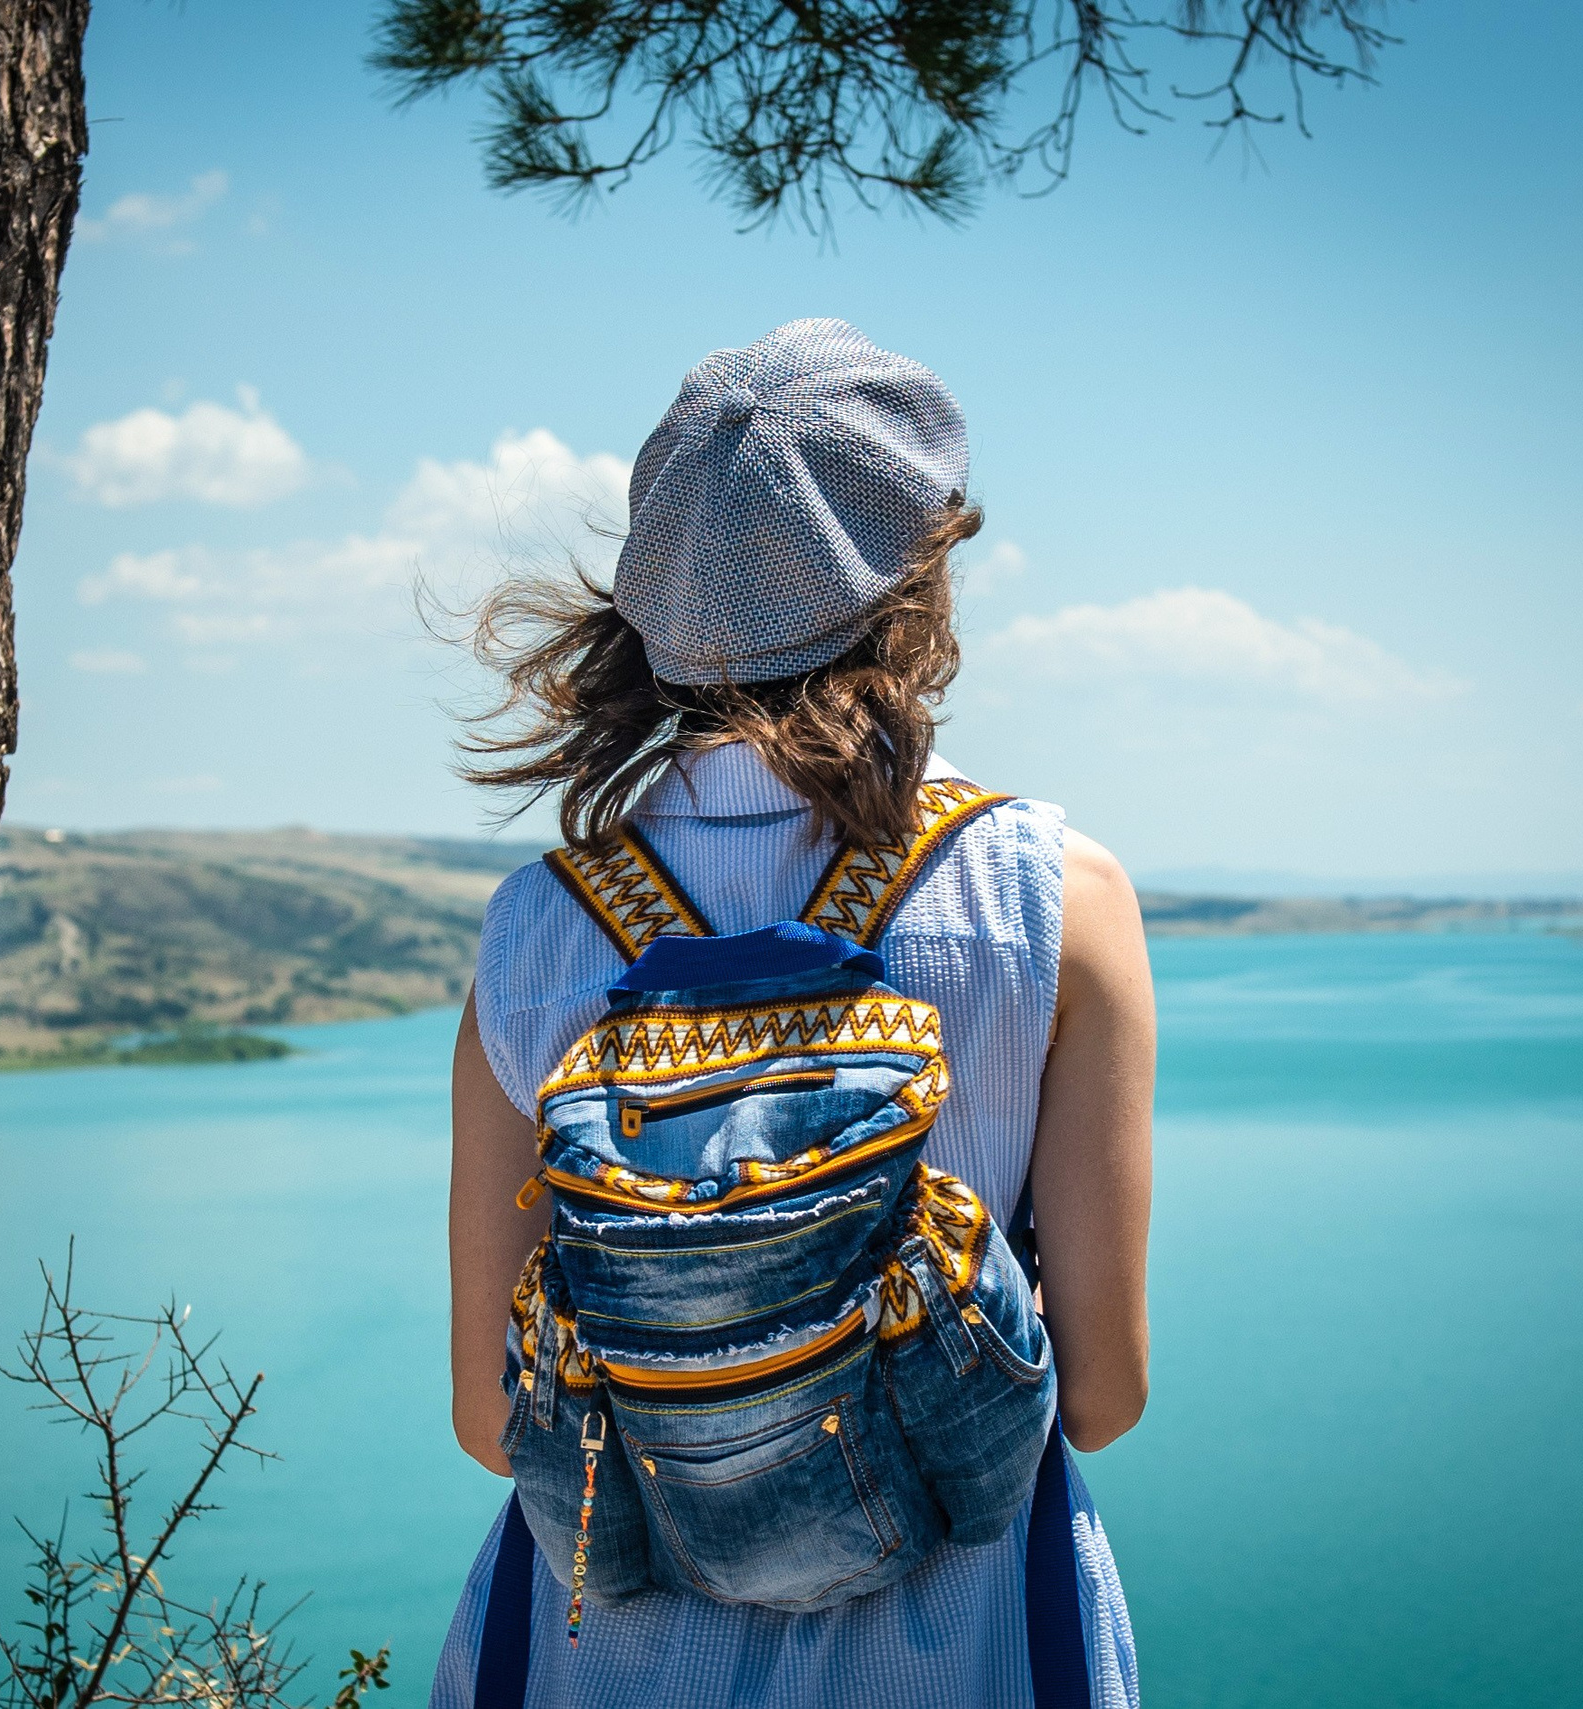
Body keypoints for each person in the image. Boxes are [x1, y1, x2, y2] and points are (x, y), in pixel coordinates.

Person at [426, 320, 1155, 1709]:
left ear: (655, 603)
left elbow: (489, 1416)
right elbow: (1100, 1396)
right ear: (915, 583)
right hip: (967, 1648)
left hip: (603, 1658)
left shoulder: (536, 927)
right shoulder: (1057, 894)